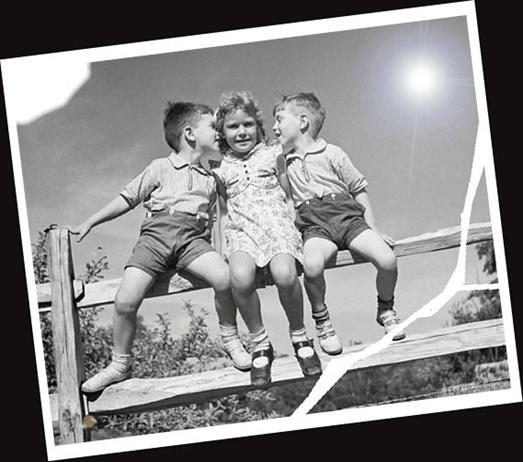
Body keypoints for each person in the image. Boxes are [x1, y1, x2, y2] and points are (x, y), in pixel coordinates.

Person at [69, 101, 251, 393]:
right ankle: (120, 364)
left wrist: (221, 253)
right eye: (212, 126)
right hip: (154, 237)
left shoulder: (211, 177)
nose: (219, 131)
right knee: (125, 301)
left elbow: (217, 219)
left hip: (193, 239)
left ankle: (231, 339)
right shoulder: (160, 167)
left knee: (225, 277)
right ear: (190, 133)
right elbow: (127, 198)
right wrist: (90, 221)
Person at [272, 92, 405, 356]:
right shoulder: (283, 163)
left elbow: (358, 188)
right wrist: (292, 234)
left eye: (279, 119)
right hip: (314, 225)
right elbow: (288, 200)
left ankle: (386, 308)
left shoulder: (333, 152)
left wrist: (373, 227)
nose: (274, 127)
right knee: (311, 266)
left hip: (348, 219)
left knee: (387, 260)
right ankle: (322, 320)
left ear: (302, 121)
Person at [211, 91, 322, 386]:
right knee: (240, 277)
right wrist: (221, 248)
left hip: (277, 227)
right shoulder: (220, 168)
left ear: (258, 126)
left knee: (285, 274)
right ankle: (260, 341)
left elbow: (288, 195)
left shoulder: (273, 154)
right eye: (233, 126)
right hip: (241, 232)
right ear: (222, 132)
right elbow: (223, 213)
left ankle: (299, 335)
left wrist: (296, 227)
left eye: (247, 124)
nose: (241, 132)